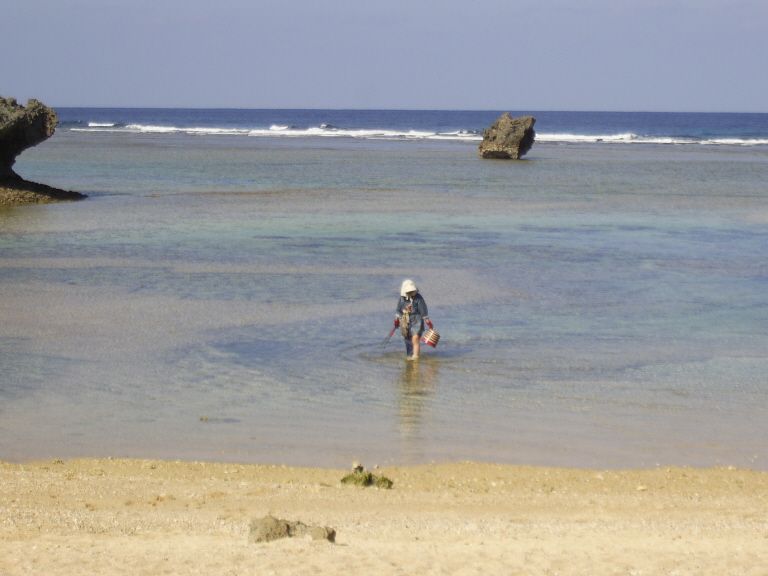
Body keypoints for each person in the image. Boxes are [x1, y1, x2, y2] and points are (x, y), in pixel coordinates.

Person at [393, 279, 433, 361]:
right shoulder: (402, 299)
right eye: (409, 291)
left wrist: (427, 320)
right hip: (405, 320)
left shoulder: (418, 298)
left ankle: (415, 357)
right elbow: (398, 310)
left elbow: (423, 309)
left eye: (412, 291)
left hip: (417, 320)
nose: (411, 293)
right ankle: (409, 355)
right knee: (407, 339)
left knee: (415, 338)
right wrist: (396, 320)